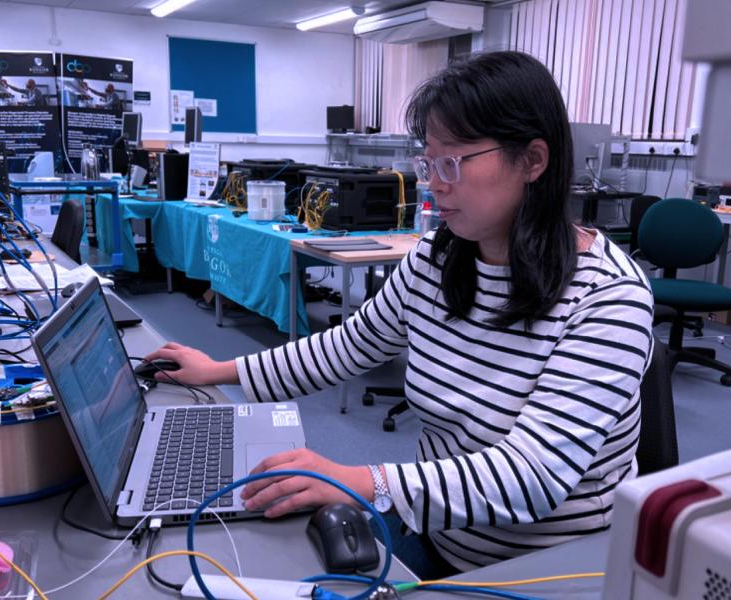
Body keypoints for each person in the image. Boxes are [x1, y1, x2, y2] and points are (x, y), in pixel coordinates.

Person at [146, 51, 654, 577]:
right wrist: (218, 371)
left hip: (556, 569)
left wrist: (365, 481)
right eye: (427, 162)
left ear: (533, 161)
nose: (435, 182)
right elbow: (343, 349)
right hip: (443, 538)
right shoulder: (438, 258)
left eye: (452, 162)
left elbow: (533, 476)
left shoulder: (608, 298)